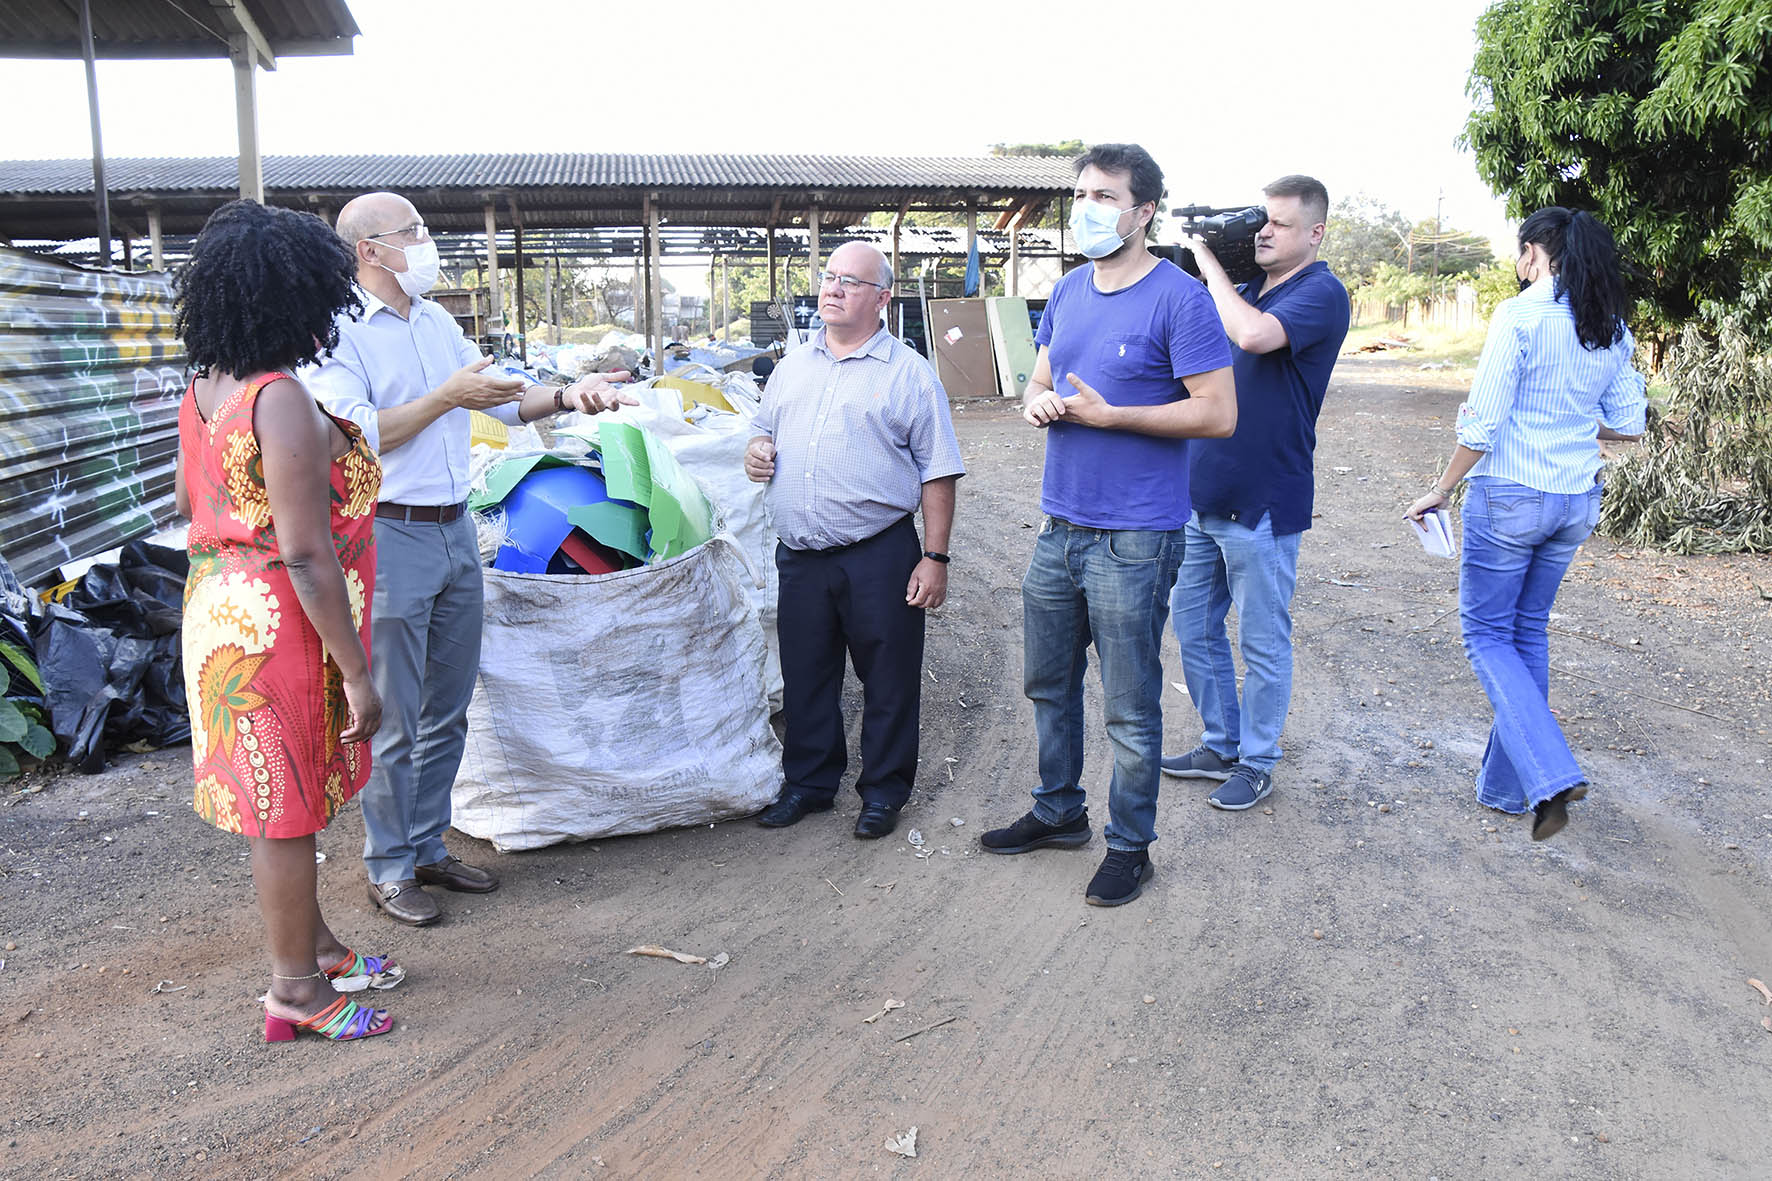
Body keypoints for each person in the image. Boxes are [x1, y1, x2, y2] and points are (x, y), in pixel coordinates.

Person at [306, 192, 633, 926]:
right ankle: (388, 867)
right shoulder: (336, 333)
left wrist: (566, 396)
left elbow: (500, 399)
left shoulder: (436, 319)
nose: (426, 241)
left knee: (448, 707)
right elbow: (351, 436)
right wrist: (444, 396)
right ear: (370, 249)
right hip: (389, 533)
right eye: (413, 232)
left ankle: (426, 845)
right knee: (393, 714)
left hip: (454, 528)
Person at [981, 144, 1237, 906]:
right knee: (1048, 685)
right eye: (1081, 192)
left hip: (1137, 538)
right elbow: (1040, 377)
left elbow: (1219, 413)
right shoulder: (1067, 289)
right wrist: (1036, 402)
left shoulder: (1179, 298)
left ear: (1144, 210)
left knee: (1129, 703)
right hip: (1059, 528)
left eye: (1104, 194)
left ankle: (1132, 845)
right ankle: (1059, 812)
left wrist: (1113, 415)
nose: (1088, 205)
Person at [175, 199, 395, 1042]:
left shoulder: (203, 390)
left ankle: (321, 945)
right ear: (297, 300)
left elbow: (191, 501)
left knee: (284, 793)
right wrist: (356, 671)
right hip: (281, 624)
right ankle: (296, 991)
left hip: (218, 609)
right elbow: (305, 553)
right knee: (286, 809)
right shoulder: (281, 399)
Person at [1406, 207, 1646, 841]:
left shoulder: (1520, 315)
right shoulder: (1611, 325)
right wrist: (1564, 416)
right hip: (1573, 499)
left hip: (1511, 495)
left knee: (1486, 635)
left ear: (1538, 252)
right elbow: (1629, 421)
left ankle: (1551, 773)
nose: (1518, 265)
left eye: (1521, 253)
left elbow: (1482, 423)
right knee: (1526, 634)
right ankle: (1509, 789)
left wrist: (1440, 490)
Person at [743, 242, 964, 841]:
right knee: (807, 674)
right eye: (830, 277)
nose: (833, 288)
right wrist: (757, 455)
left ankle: (884, 793)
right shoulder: (793, 365)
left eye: (851, 281)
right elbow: (762, 436)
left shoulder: (908, 374)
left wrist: (934, 557)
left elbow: (938, 471)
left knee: (888, 677)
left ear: (883, 298)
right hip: (803, 557)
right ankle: (811, 784)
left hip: (879, 553)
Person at [1164, 176, 1350, 810]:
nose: (1263, 232)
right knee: (1194, 626)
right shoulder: (1242, 290)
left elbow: (1254, 337)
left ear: (1316, 232)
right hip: (1202, 491)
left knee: (1262, 640)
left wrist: (1210, 260)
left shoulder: (1321, 292)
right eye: (1259, 222)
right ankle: (1221, 743)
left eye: (1279, 223)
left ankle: (1259, 759)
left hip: (1266, 500)